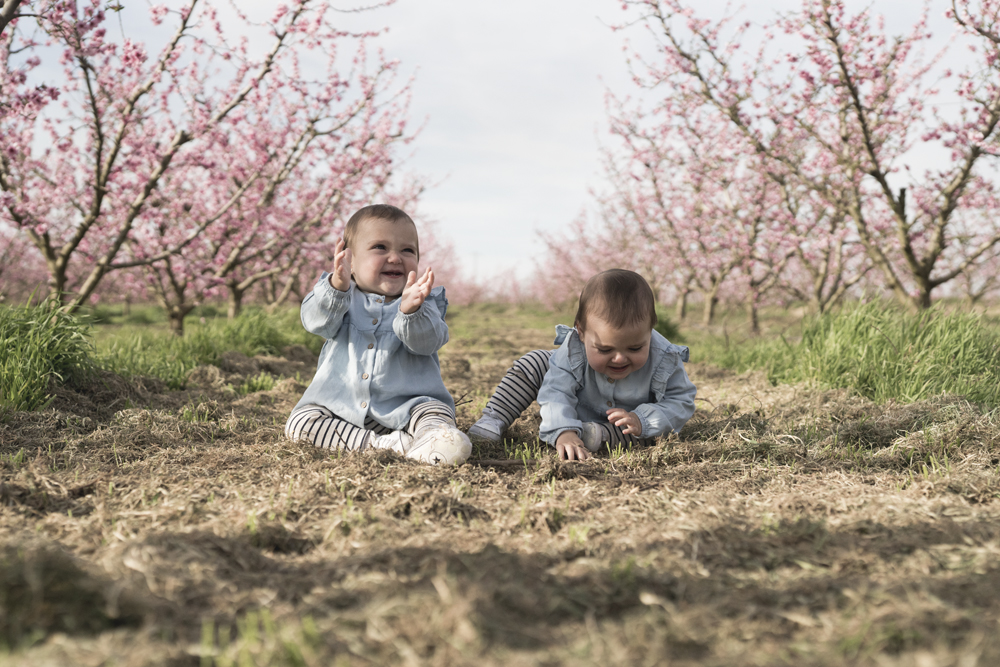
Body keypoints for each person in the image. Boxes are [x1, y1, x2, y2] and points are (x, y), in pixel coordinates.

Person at [285, 204, 471, 465]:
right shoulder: (340, 299)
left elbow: (427, 343)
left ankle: (433, 439)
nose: (395, 258)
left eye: (407, 250)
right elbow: (315, 322)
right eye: (380, 248)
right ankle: (386, 445)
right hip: (342, 408)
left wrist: (410, 312)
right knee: (301, 423)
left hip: (409, 408)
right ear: (349, 260)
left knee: (435, 414)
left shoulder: (423, 303)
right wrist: (336, 289)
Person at [468, 269, 696, 460]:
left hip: (626, 425)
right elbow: (556, 391)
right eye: (605, 349)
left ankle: (598, 437)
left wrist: (643, 420)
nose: (619, 358)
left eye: (635, 348)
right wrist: (563, 431)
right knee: (536, 361)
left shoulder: (665, 358)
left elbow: (680, 401)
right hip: (578, 406)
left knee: (650, 433)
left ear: (650, 331)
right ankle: (494, 417)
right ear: (581, 332)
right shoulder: (572, 350)